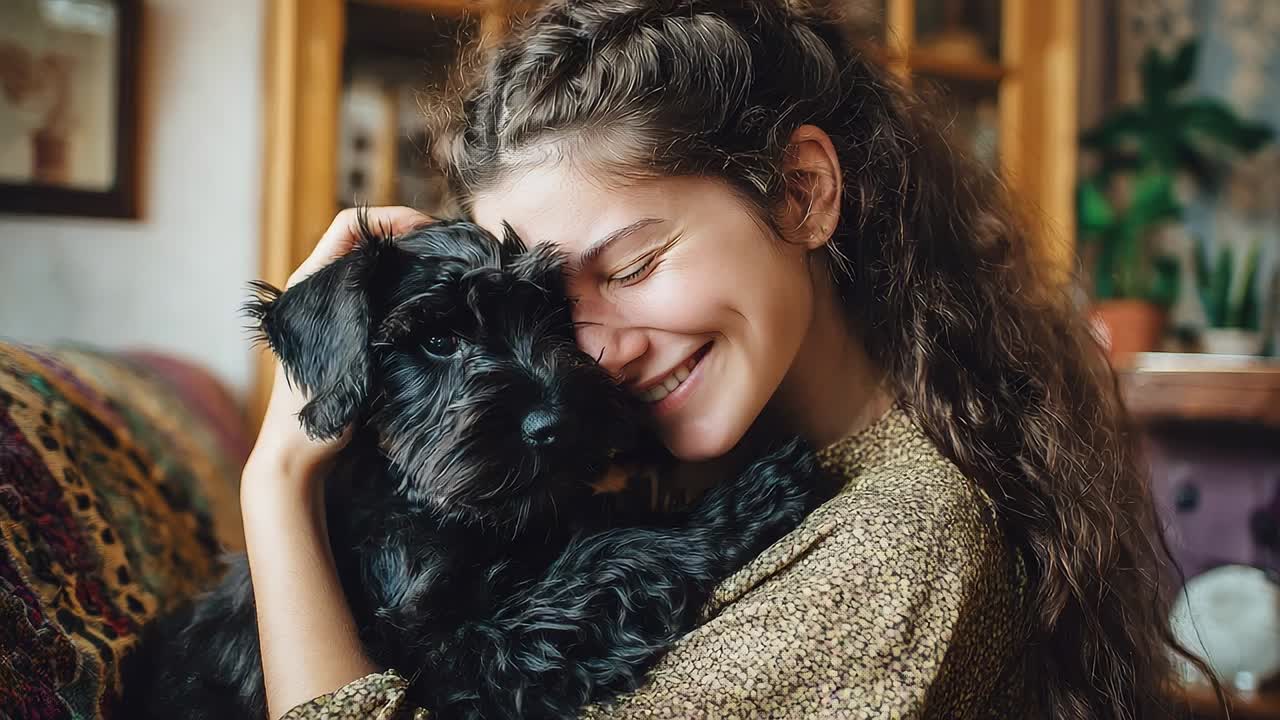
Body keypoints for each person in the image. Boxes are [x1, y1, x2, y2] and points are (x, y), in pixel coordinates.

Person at [239, 1, 1210, 718]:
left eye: (632, 266)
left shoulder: (893, 553)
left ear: (800, 192)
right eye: (553, 309)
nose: (596, 350)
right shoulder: (698, 464)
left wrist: (277, 483)